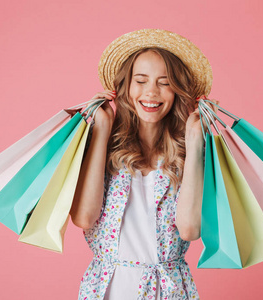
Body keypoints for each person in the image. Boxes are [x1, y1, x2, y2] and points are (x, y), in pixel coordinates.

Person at [70, 29, 214, 300]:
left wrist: (195, 141)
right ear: (125, 87)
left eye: (164, 82)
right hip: (107, 289)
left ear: (177, 90)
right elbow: (84, 218)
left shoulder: (190, 156)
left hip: (168, 291)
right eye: (141, 80)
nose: (151, 92)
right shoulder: (102, 147)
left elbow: (189, 229)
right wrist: (101, 128)